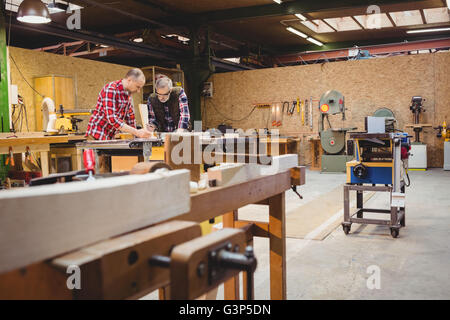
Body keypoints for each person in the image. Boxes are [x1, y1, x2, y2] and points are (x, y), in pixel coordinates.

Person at [86, 68, 152, 140]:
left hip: (109, 136)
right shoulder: (111, 89)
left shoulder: (127, 95)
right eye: (137, 87)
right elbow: (112, 118)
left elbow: (130, 118)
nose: (138, 91)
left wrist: (137, 136)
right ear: (129, 80)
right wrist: (137, 132)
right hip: (96, 134)